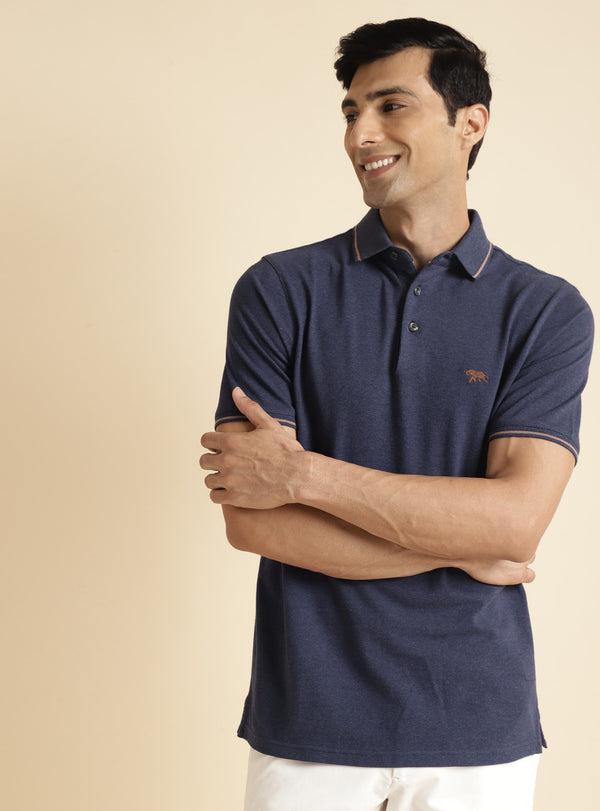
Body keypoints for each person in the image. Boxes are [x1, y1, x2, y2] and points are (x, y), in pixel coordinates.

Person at [200, 17, 593, 811]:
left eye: (391, 106)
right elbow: (253, 522)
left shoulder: (546, 312)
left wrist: (304, 476)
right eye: (351, 111)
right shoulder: (279, 291)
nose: (360, 135)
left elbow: (515, 524)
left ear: (470, 122)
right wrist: (460, 546)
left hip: (476, 729)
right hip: (308, 722)